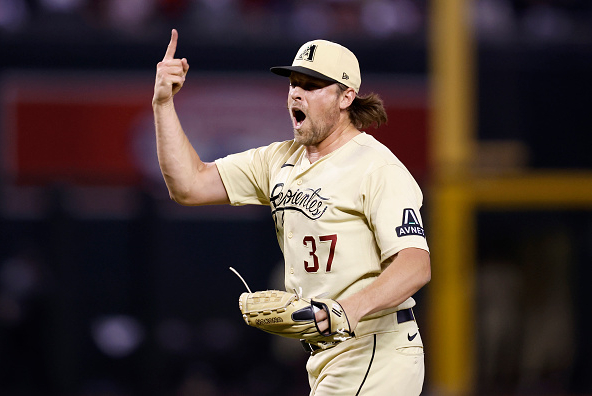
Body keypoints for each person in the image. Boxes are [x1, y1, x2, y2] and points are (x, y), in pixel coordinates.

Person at [153, 29, 431, 395]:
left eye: (313, 85)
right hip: (327, 354)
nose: (297, 92)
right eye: (294, 83)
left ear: (346, 97)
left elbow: (415, 264)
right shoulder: (278, 160)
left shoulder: (376, 167)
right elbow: (189, 185)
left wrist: (345, 309)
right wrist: (162, 104)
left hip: (375, 347)